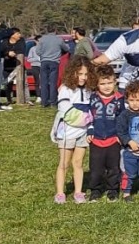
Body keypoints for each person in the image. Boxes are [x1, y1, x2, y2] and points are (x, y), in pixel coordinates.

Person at [50, 56, 95, 204]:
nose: (83, 77)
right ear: (72, 72)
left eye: (86, 74)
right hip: (67, 133)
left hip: (82, 134)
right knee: (64, 163)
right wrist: (87, 118)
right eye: (79, 73)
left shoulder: (89, 91)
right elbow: (66, 112)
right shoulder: (65, 89)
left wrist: (90, 127)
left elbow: (91, 110)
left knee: (78, 163)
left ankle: (78, 192)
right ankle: (60, 193)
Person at [86, 65, 125, 202]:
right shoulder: (92, 98)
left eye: (109, 83)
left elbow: (122, 118)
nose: (107, 86)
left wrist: (120, 135)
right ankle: (95, 190)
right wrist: (90, 129)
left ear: (115, 82)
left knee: (113, 167)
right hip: (96, 139)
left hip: (113, 139)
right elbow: (88, 116)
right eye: (102, 83)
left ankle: (113, 190)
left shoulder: (120, 99)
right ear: (96, 84)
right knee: (96, 168)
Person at [36, 27, 69, 108]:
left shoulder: (42, 39)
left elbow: (37, 51)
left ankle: (44, 102)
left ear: (47, 31)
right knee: (53, 83)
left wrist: (43, 55)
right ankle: (53, 102)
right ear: (55, 30)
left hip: (44, 62)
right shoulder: (59, 39)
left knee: (44, 83)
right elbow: (66, 48)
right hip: (54, 62)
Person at [1, 28, 24, 107]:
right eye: (17, 33)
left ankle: (24, 99)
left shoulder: (21, 41)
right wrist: (7, 53)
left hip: (18, 65)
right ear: (12, 35)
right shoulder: (4, 42)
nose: (19, 35)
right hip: (7, 66)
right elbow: (1, 52)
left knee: (23, 82)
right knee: (8, 84)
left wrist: (15, 53)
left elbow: (22, 50)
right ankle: (9, 100)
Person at [27, 35, 41, 104]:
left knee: (44, 81)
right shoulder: (32, 49)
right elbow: (29, 59)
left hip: (44, 66)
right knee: (37, 81)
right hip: (35, 66)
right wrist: (37, 59)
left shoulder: (45, 48)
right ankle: (38, 96)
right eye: (39, 41)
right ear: (35, 41)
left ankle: (45, 95)